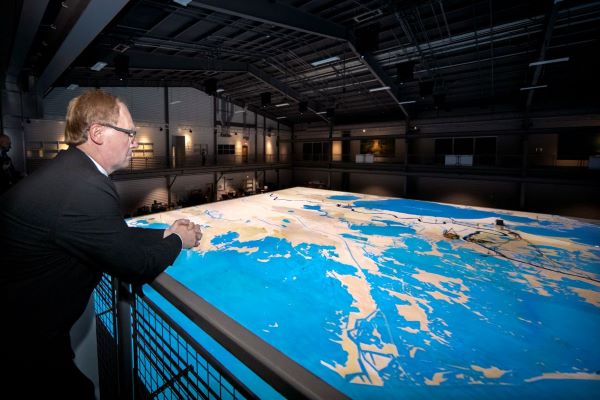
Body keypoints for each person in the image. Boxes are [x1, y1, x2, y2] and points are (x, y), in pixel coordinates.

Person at [0, 90, 202, 399]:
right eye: (129, 133)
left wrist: (163, 233)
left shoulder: (70, 170)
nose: (135, 141)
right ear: (97, 132)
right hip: (24, 339)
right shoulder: (85, 187)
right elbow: (136, 266)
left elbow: (108, 237)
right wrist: (178, 240)